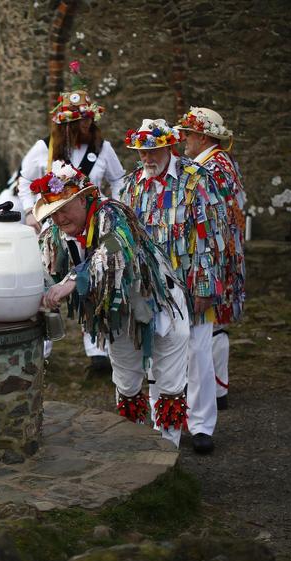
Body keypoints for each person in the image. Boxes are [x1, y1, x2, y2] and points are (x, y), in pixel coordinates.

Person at [36, 161, 190, 447]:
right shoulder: (56, 233)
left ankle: (168, 452)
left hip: (160, 306)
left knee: (169, 383)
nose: (57, 219)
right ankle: (136, 446)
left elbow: (114, 250)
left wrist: (72, 279)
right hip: (117, 316)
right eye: (52, 213)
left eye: (63, 210)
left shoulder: (112, 213)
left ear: (83, 198)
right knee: (126, 382)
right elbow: (43, 267)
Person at [119, 118, 228, 454]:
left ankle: (201, 425)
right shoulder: (133, 184)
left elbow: (212, 235)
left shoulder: (196, 180)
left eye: (153, 151)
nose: (147, 158)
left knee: (197, 352)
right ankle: (162, 424)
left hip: (192, 282)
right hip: (151, 288)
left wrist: (205, 285)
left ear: (170, 147)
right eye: (142, 152)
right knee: (157, 353)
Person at [17, 60, 126, 373]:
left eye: (88, 121)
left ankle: (98, 352)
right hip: (56, 228)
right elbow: (24, 180)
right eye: (78, 122)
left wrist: (111, 205)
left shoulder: (103, 150)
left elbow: (118, 179)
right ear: (64, 125)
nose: (85, 127)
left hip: (94, 227)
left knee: (92, 279)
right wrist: (30, 212)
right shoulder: (43, 148)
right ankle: (43, 351)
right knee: (46, 284)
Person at [175, 107, 247, 411]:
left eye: (188, 134)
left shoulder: (211, 167)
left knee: (211, 320)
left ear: (203, 137)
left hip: (215, 255)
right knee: (213, 321)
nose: (184, 140)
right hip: (221, 252)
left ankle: (216, 389)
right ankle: (217, 386)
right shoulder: (218, 161)